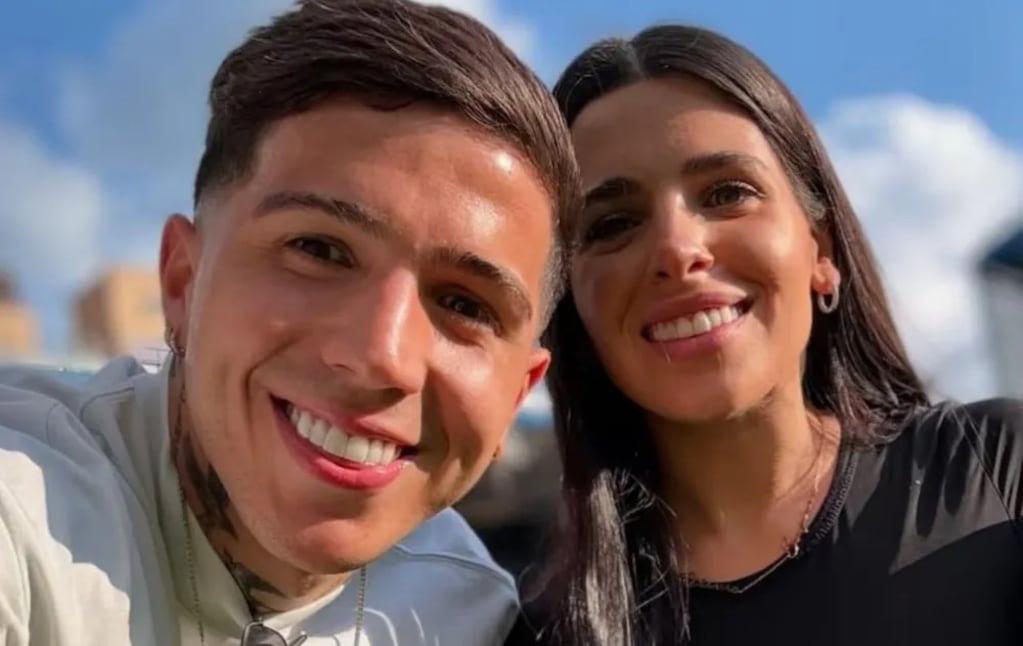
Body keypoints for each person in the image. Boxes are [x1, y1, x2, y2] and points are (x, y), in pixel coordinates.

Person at [0, 1, 580, 644]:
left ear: (517, 395)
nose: (382, 356)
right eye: (320, 250)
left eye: (466, 306)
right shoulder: (23, 514)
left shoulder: (474, 617)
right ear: (182, 282)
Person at [509, 24, 1023, 646]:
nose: (677, 249)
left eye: (727, 193)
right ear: (568, 301)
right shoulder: (547, 631)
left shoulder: (999, 472)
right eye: (613, 223)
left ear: (821, 249)